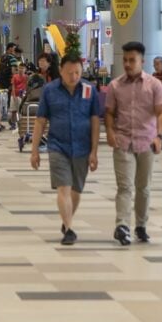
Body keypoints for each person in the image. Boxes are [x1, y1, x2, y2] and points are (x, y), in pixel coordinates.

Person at [30, 53, 102, 246]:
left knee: (76, 190)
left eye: (77, 72)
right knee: (64, 187)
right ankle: (68, 229)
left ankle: (66, 219)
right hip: (57, 146)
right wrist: (34, 150)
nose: (74, 77)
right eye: (69, 73)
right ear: (61, 71)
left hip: (82, 147)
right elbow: (40, 120)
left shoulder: (89, 90)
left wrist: (94, 151)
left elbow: (95, 120)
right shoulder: (50, 90)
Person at [105, 41, 162, 246]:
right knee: (124, 187)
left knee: (144, 188)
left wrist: (159, 137)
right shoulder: (115, 85)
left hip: (147, 143)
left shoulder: (154, 85)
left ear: (142, 61)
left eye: (132, 60)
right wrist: (110, 132)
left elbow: (161, 113)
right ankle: (122, 225)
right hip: (123, 142)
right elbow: (109, 113)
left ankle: (141, 225)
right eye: (125, 60)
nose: (128, 64)